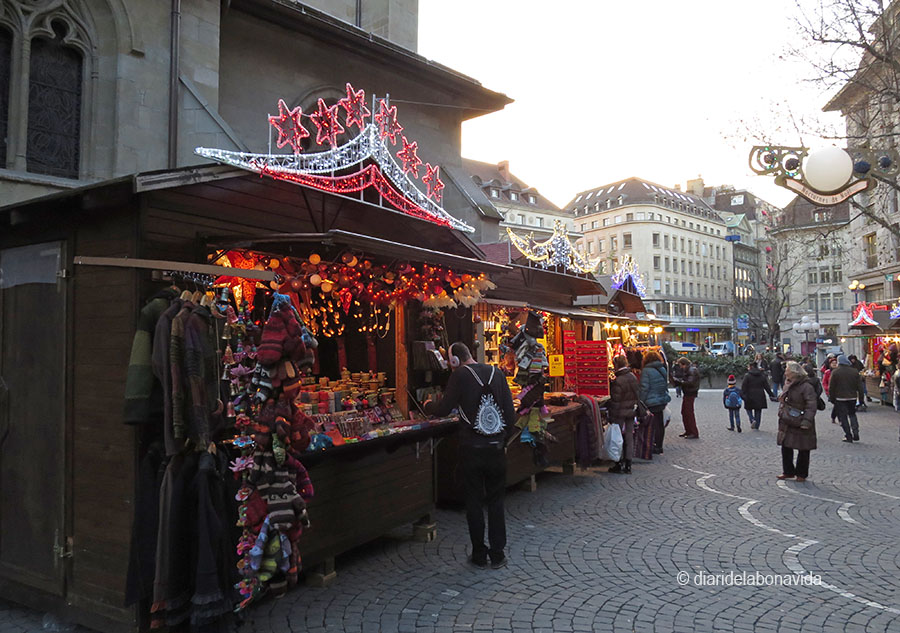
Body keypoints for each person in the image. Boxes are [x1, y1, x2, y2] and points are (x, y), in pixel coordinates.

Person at [427, 342, 516, 569]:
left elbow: (444, 408)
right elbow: (510, 415)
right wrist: (502, 441)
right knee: (496, 501)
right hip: (495, 449)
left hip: (471, 449)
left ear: (454, 360)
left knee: (474, 501)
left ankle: (479, 554)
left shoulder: (459, 376)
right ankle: (498, 554)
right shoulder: (497, 373)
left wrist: (428, 405)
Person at [777, 361, 818, 482]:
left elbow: (811, 405)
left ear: (794, 372)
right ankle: (788, 471)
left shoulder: (806, 387)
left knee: (803, 448)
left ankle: (801, 474)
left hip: (801, 419)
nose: (785, 372)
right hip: (788, 420)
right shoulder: (788, 383)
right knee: (786, 446)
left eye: (787, 370)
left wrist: (807, 421)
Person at [608, 355, 639, 474]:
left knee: (618, 437)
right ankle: (628, 464)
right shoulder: (633, 377)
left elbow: (616, 401)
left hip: (620, 412)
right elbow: (637, 394)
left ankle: (618, 462)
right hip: (631, 411)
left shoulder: (618, 380)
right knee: (629, 437)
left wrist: (612, 416)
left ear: (616, 365)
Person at [638, 350, 671, 454]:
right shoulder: (662, 368)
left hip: (651, 400)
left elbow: (644, 388)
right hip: (661, 399)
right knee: (659, 424)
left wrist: (641, 401)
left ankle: (652, 444)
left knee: (651, 424)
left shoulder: (646, 371)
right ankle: (659, 445)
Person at [829, 354, 861, 443]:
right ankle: (855, 432)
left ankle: (848, 435)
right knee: (852, 414)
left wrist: (832, 398)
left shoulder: (835, 372)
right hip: (852, 397)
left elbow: (832, 387)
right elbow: (860, 387)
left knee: (843, 417)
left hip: (840, 398)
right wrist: (861, 398)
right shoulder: (854, 371)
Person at [671, 357, 700, 439]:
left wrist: (679, 381)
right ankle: (689, 431)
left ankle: (693, 432)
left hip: (690, 393)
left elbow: (690, 382)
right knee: (685, 412)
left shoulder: (691, 370)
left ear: (684, 364)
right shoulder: (690, 370)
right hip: (688, 393)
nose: (680, 367)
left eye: (681, 365)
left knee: (688, 412)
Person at [741, 362, 774, 430]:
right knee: (758, 410)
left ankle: (752, 419)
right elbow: (766, 387)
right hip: (760, 395)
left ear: (751, 367)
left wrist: (742, 395)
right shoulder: (762, 375)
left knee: (748, 409)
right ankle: (757, 426)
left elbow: (743, 386)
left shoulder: (747, 376)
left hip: (749, 395)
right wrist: (771, 395)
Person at [822, 356, 838, 425]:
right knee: (837, 405)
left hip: (839, 391)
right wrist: (827, 389)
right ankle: (834, 417)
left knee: (838, 405)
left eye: (835, 363)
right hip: (830, 392)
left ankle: (838, 418)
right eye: (833, 363)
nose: (834, 364)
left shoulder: (839, 371)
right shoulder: (827, 372)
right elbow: (824, 382)